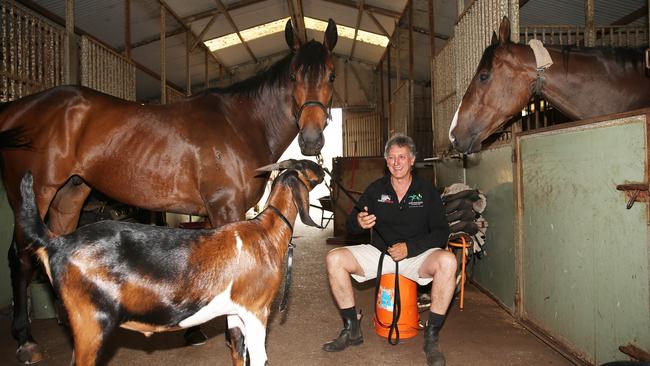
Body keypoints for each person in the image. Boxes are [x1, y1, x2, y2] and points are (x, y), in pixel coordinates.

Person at [322, 134, 455, 366]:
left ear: (412, 160)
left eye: (402, 157)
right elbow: (351, 224)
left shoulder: (427, 191)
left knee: (448, 261)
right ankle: (352, 329)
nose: (397, 162)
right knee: (335, 258)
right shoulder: (375, 190)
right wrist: (359, 223)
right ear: (386, 161)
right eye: (392, 158)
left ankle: (431, 337)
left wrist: (410, 248)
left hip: (418, 257)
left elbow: (441, 233)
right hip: (380, 254)